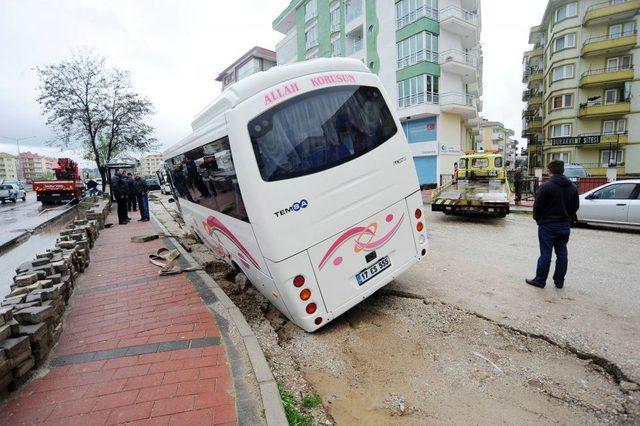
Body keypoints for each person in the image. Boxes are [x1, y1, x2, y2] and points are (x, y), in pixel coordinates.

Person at [526, 160, 579, 289]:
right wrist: (567, 217)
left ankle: (540, 280)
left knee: (545, 253)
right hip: (564, 225)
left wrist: (538, 220)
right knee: (562, 253)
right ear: (562, 171)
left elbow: (537, 207)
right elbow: (575, 207)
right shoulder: (572, 187)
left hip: (548, 225)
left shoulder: (546, 186)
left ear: (550, 171)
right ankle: (559, 281)